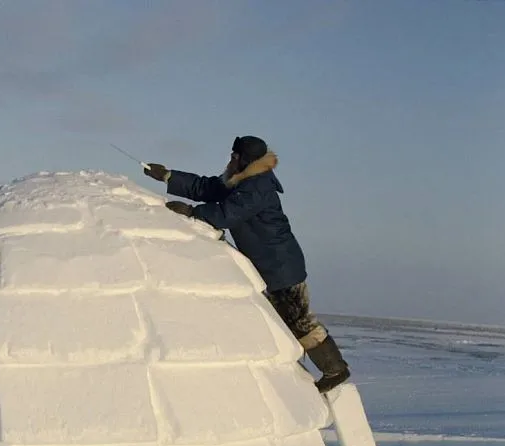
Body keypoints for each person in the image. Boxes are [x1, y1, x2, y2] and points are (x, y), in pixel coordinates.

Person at [144, 136, 350, 393]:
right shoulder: (241, 180)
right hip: (271, 265)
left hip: (280, 266)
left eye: (234, 155)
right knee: (283, 320)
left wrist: (193, 213)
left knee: (298, 320)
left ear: (245, 159)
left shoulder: (256, 188)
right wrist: (168, 176)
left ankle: (335, 370)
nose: (230, 159)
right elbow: (207, 188)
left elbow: (228, 214)